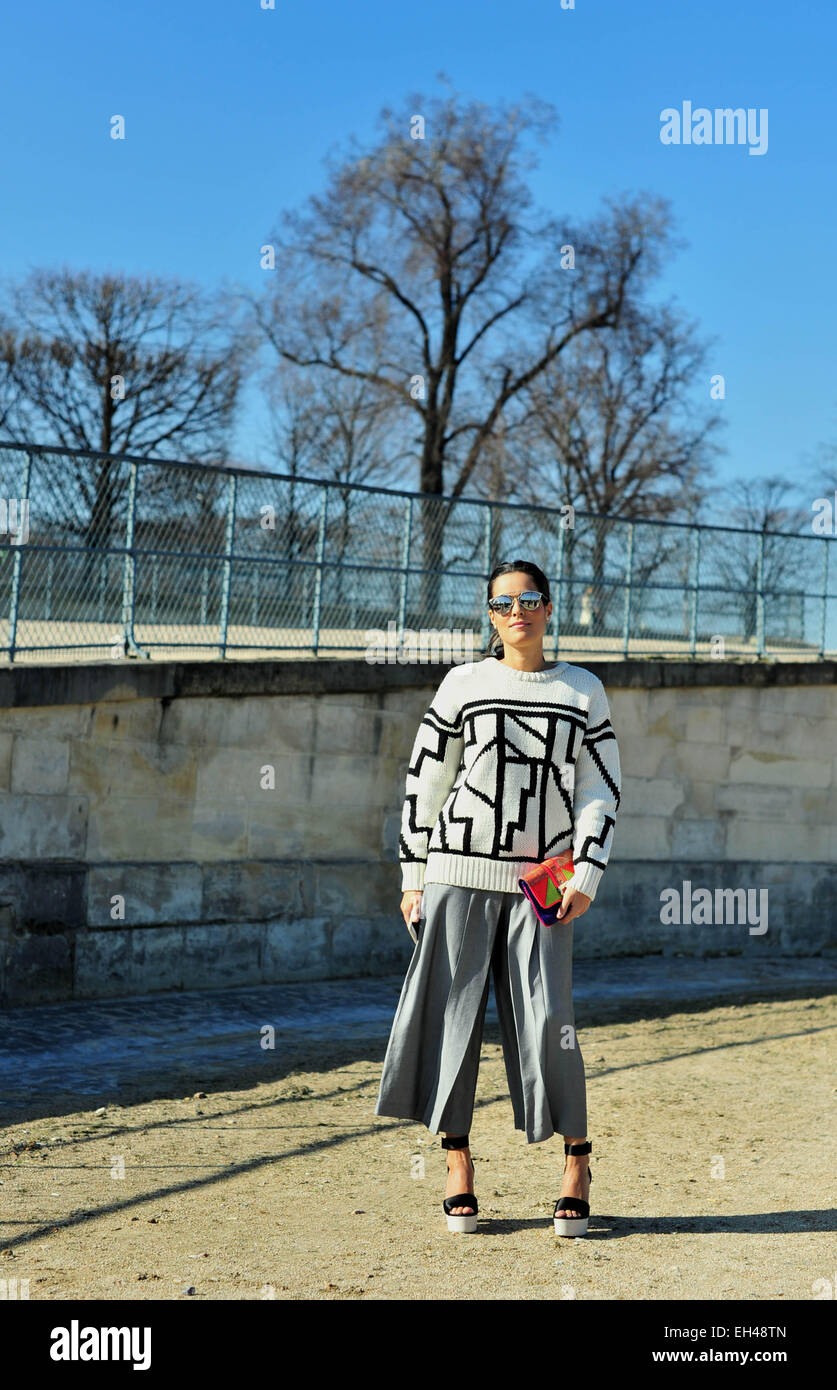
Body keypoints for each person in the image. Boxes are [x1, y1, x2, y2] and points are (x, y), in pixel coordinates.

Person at [373, 558, 622, 1234]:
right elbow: (424, 781)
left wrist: (586, 873)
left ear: (549, 608)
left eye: (530, 599)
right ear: (489, 615)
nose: (517, 612)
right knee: (449, 1023)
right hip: (457, 869)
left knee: (550, 1022)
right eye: (503, 603)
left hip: (543, 878)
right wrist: (412, 876)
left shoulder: (582, 690)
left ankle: (576, 1162)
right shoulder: (463, 683)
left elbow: (600, 789)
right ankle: (457, 1163)